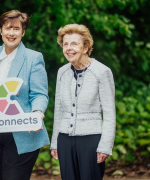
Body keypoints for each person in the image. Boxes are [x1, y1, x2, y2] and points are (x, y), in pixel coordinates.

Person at [0, 10, 50, 180]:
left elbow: (39, 94)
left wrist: (37, 112)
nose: (11, 33)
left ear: (23, 31)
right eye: (7, 28)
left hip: (22, 133)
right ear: (1, 30)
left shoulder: (33, 58)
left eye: (16, 29)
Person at [50, 24, 116, 180]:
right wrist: (55, 142)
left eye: (74, 44)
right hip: (65, 140)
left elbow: (109, 113)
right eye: (65, 44)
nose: (69, 48)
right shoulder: (62, 72)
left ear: (86, 47)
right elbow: (58, 110)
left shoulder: (102, 72)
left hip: (91, 140)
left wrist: (105, 146)